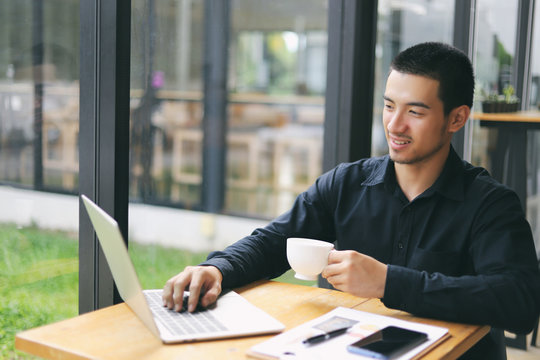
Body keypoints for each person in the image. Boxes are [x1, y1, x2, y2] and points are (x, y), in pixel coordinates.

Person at [162, 42, 540, 359]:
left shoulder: (491, 204)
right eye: (390, 105)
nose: (394, 125)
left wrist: (388, 282)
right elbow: (274, 241)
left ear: (457, 119)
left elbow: (520, 302)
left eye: (415, 111)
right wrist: (218, 269)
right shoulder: (346, 183)